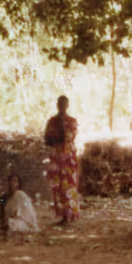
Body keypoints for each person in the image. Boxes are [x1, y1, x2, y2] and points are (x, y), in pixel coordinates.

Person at [44, 95, 80, 225]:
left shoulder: (72, 122)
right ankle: (63, 215)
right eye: (59, 104)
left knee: (69, 186)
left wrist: (58, 133)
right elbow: (47, 140)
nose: (61, 107)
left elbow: (67, 137)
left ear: (67, 106)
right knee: (57, 187)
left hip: (68, 160)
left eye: (64, 104)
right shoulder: (51, 121)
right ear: (57, 105)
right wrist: (55, 138)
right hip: (56, 160)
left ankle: (71, 214)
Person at [0, 172, 40, 241]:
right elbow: (1, 213)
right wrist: (2, 220)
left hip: (22, 221)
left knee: (11, 224)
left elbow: (21, 215)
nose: (12, 183)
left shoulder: (21, 195)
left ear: (18, 184)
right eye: (10, 181)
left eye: (14, 181)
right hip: (7, 220)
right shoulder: (3, 197)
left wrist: (8, 220)